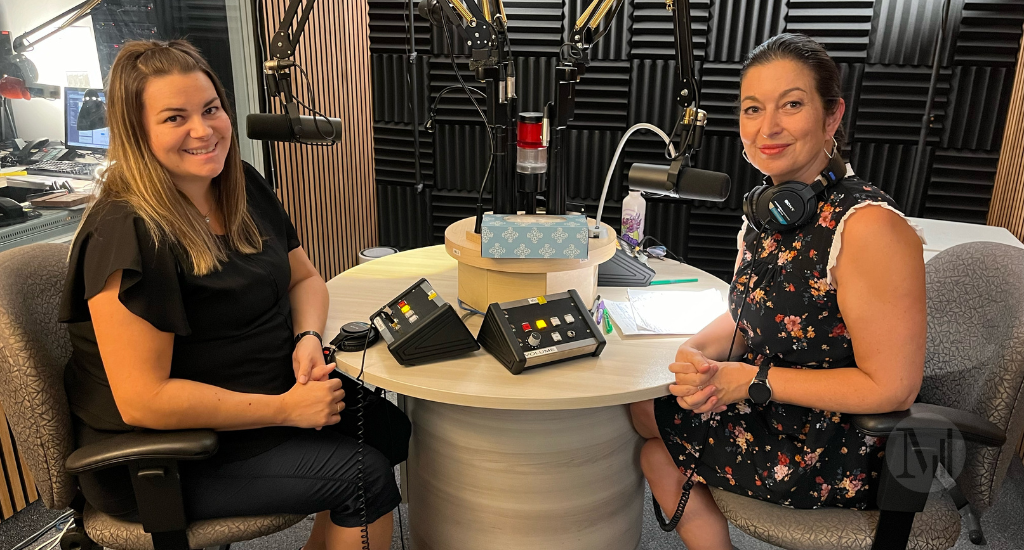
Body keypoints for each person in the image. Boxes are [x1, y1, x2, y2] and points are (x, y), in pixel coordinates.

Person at [59, 39, 410, 550]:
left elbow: (305, 279)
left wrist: (307, 338)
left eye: (210, 110)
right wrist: (288, 411)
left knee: (388, 431)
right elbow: (144, 400)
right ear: (137, 133)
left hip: (260, 394)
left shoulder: (238, 182)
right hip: (168, 451)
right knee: (365, 475)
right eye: (175, 118)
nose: (203, 131)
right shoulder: (128, 232)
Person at [629, 33, 927, 550]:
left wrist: (751, 381)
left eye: (791, 105)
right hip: (777, 408)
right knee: (651, 435)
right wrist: (695, 351)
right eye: (752, 109)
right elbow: (749, 317)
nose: (767, 128)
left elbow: (892, 388)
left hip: (833, 442)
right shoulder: (770, 213)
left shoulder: (868, 228)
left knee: (641, 424)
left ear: (832, 116)